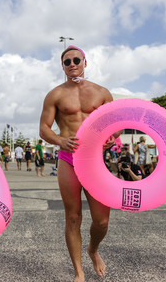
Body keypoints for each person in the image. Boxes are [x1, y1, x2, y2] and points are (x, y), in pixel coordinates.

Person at [39, 45, 116, 281]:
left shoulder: (102, 93)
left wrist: (111, 139)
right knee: (73, 217)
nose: (72, 64)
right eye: (67, 61)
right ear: (62, 66)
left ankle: (92, 249)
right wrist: (61, 141)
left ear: (85, 62)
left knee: (102, 220)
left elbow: (113, 126)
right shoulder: (55, 94)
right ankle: (78, 271)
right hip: (68, 159)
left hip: (94, 160)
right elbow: (43, 129)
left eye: (76, 60)